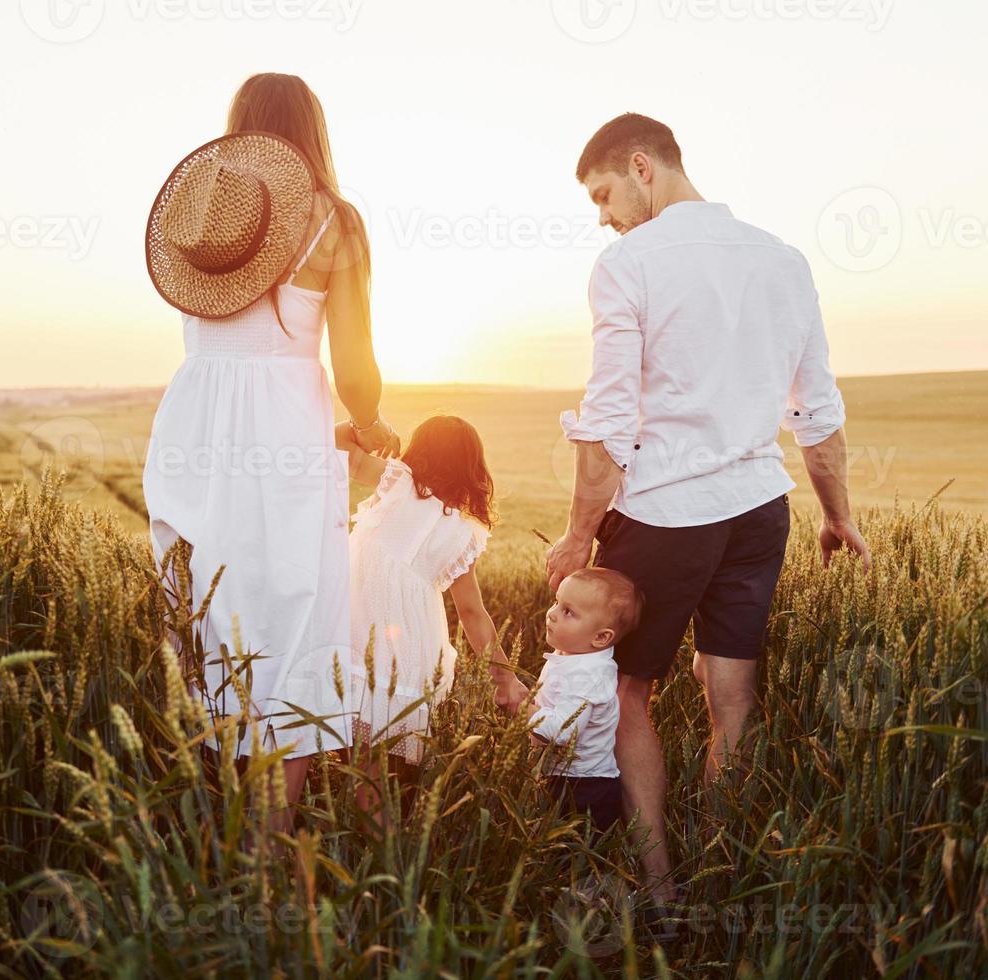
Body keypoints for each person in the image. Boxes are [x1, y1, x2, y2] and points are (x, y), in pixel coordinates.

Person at [545, 112, 873, 903]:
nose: (603, 215)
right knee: (732, 699)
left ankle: (658, 891)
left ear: (641, 165)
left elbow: (607, 425)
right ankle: (726, 875)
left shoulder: (627, 264)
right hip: (760, 510)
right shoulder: (784, 259)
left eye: (603, 193)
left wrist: (578, 534)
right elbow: (817, 414)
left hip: (664, 515)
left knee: (629, 693)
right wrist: (838, 516)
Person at [142, 73, 401, 834]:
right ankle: (270, 840)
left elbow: (235, 360)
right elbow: (351, 361)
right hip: (286, 435)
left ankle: (208, 822)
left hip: (193, 428)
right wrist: (371, 420)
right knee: (293, 613)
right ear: (312, 134)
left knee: (208, 612)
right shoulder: (335, 222)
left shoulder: (205, 213)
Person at [337, 415, 528, 821]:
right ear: (473, 468)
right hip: (410, 645)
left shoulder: (395, 481)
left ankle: (369, 840)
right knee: (377, 755)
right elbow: (473, 614)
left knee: (352, 745)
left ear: (418, 450)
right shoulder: (464, 531)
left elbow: (334, 446)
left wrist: (364, 426)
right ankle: (386, 837)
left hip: (356, 627)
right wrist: (506, 679)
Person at [529, 567, 641, 836]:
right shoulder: (572, 656)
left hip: (584, 789)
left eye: (568, 611)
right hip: (563, 776)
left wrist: (520, 709)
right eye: (557, 602)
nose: (551, 613)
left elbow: (563, 731)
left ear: (601, 637)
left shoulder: (588, 674)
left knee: (579, 864)